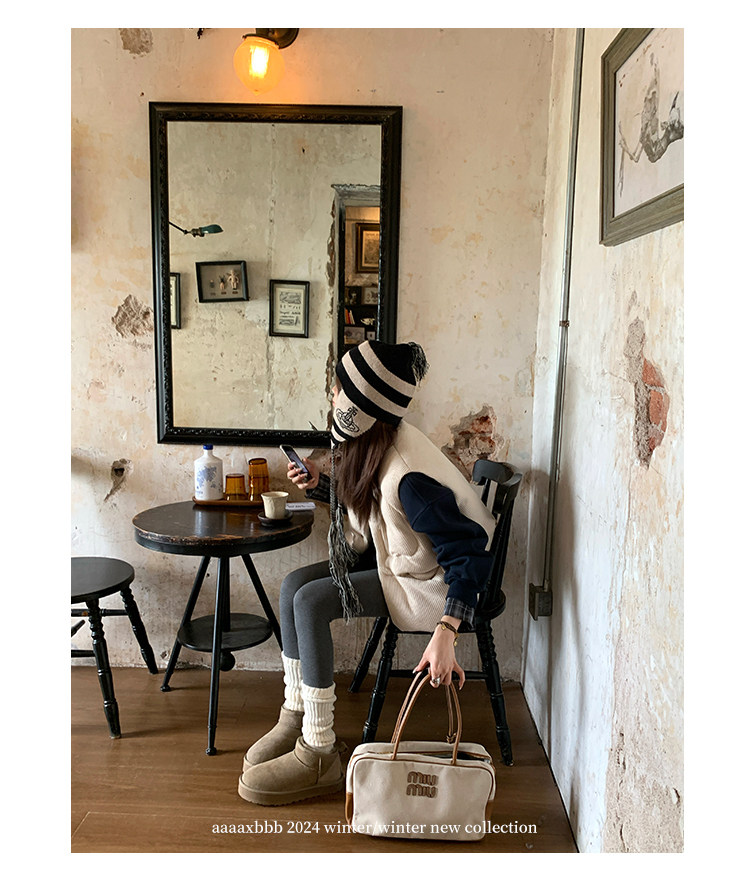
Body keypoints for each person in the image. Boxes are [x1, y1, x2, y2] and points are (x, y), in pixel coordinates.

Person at [237, 340, 496, 806]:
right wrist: (320, 485)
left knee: (310, 602)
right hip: (398, 565)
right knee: (293, 585)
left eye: (338, 390)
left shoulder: (411, 479)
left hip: (429, 587)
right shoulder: (382, 441)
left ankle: (319, 750)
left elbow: (469, 554)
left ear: (358, 408)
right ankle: (296, 713)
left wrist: (447, 631)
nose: (332, 397)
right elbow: (373, 508)